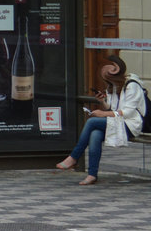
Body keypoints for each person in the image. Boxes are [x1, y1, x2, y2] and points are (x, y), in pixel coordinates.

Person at [56, 55, 146, 185]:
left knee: (92, 122)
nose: (108, 83)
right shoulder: (114, 86)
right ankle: (92, 174)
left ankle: (74, 157)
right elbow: (112, 108)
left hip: (131, 124)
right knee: (95, 134)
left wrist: (103, 114)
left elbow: (127, 112)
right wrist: (102, 102)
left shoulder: (132, 86)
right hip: (117, 122)